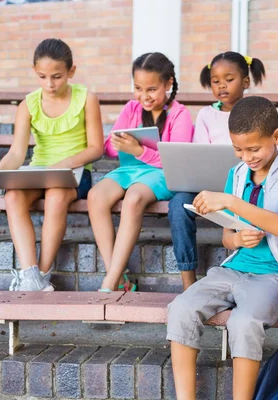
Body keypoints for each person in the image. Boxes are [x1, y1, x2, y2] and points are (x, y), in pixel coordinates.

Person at [166, 96, 278, 400]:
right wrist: (238, 239)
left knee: (243, 322)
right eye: (238, 149)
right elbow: (227, 238)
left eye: (254, 148)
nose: (247, 157)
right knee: (180, 308)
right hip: (232, 268)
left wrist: (231, 201)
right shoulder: (237, 174)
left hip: (273, 275)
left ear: (276, 137)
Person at [0, 38, 103, 291]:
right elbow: (17, 153)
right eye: (42, 76)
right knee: (12, 197)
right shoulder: (28, 104)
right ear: (34, 72)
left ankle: (42, 274)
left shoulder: (86, 98)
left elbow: (96, 148)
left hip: (75, 173)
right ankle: (30, 276)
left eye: (57, 76)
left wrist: (63, 164)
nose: (49, 84)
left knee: (55, 196)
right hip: (39, 171)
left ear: (71, 72)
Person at [87, 52, 193, 292]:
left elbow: (175, 160)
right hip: (129, 169)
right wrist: (117, 145)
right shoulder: (131, 108)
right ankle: (118, 275)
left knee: (133, 198)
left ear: (168, 84)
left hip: (161, 173)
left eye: (152, 89)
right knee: (95, 196)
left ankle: (109, 283)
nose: (144, 96)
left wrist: (139, 150)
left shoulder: (179, 114)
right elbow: (109, 149)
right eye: (138, 88)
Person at [168, 51, 266, 291]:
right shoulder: (206, 115)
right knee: (178, 204)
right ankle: (188, 281)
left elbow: (270, 155)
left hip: (247, 186)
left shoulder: (259, 112)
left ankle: (246, 273)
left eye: (229, 79)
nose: (222, 85)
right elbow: (201, 156)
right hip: (210, 186)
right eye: (215, 80)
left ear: (245, 81)